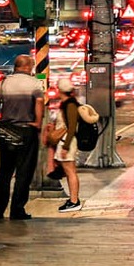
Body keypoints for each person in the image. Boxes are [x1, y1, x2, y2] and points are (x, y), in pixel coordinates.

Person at [0, 54, 45, 220]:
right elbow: (39, 103)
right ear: (28, 66)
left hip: (6, 130)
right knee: (24, 172)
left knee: (5, 171)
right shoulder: (34, 83)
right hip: (26, 130)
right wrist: (37, 122)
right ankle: (17, 210)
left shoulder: (4, 83)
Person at [48, 81, 87, 213]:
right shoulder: (67, 104)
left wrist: (65, 147)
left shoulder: (70, 105)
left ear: (60, 91)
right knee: (69, 170)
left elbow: (71, 128)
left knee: (70, 172)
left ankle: (74, 201)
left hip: (67, 142)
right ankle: (73, 199)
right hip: (65, 142)